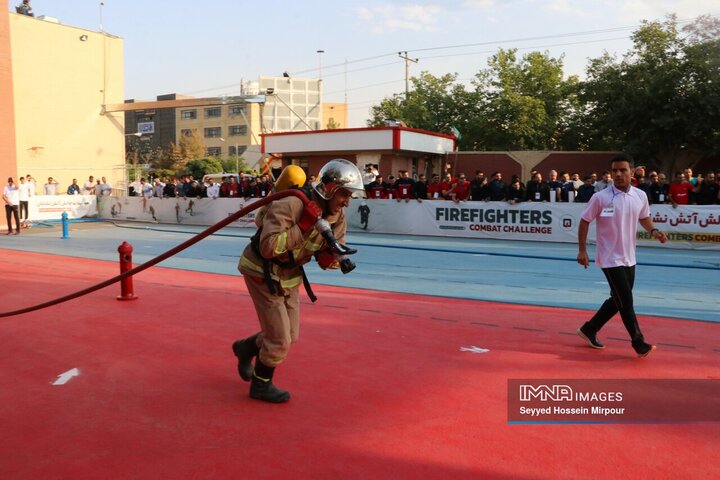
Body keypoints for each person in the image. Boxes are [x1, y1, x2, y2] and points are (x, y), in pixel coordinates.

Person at [232, 159, 365, 403]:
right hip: (262, 272)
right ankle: (261, 385)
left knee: (289, 335)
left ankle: (246, 348)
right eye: (344, 194)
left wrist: (332, 259)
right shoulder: (292, 204)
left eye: (350, 196)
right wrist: (304, 225)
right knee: (279, 339)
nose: (347, 202)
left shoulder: (337, 215)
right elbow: (269, 247)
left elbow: (330, 249)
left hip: (290, 275)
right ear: (330, 188)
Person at [576, 154, 667, 358]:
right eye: (614, 170)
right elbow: (584, 221)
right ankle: (638, 342)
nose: (617, 174)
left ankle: (590, 329)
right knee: (626, 300)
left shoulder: (640, 196)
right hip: (609, 258)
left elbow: (644, 218)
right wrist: (582, 250)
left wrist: (654, 231)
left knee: (617, 299)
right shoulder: (600, 197)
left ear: (632, 172)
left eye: (622, 170)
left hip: (629, 257)